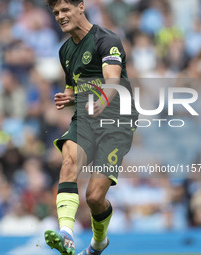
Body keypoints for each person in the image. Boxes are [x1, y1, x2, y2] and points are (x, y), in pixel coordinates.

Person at [44, 0, 138, 255]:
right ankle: (66, 233)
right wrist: (68, 97)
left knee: (94, 197)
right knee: (68, 160)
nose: (60, 16)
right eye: (56, 13)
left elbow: (112, 79)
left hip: (116, 121)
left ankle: (98, 243)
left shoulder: (106, 40)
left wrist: (102, 100)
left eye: (65, 10)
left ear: (81, 6)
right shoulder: (64, 51)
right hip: (86, 118)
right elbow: (73, 87)